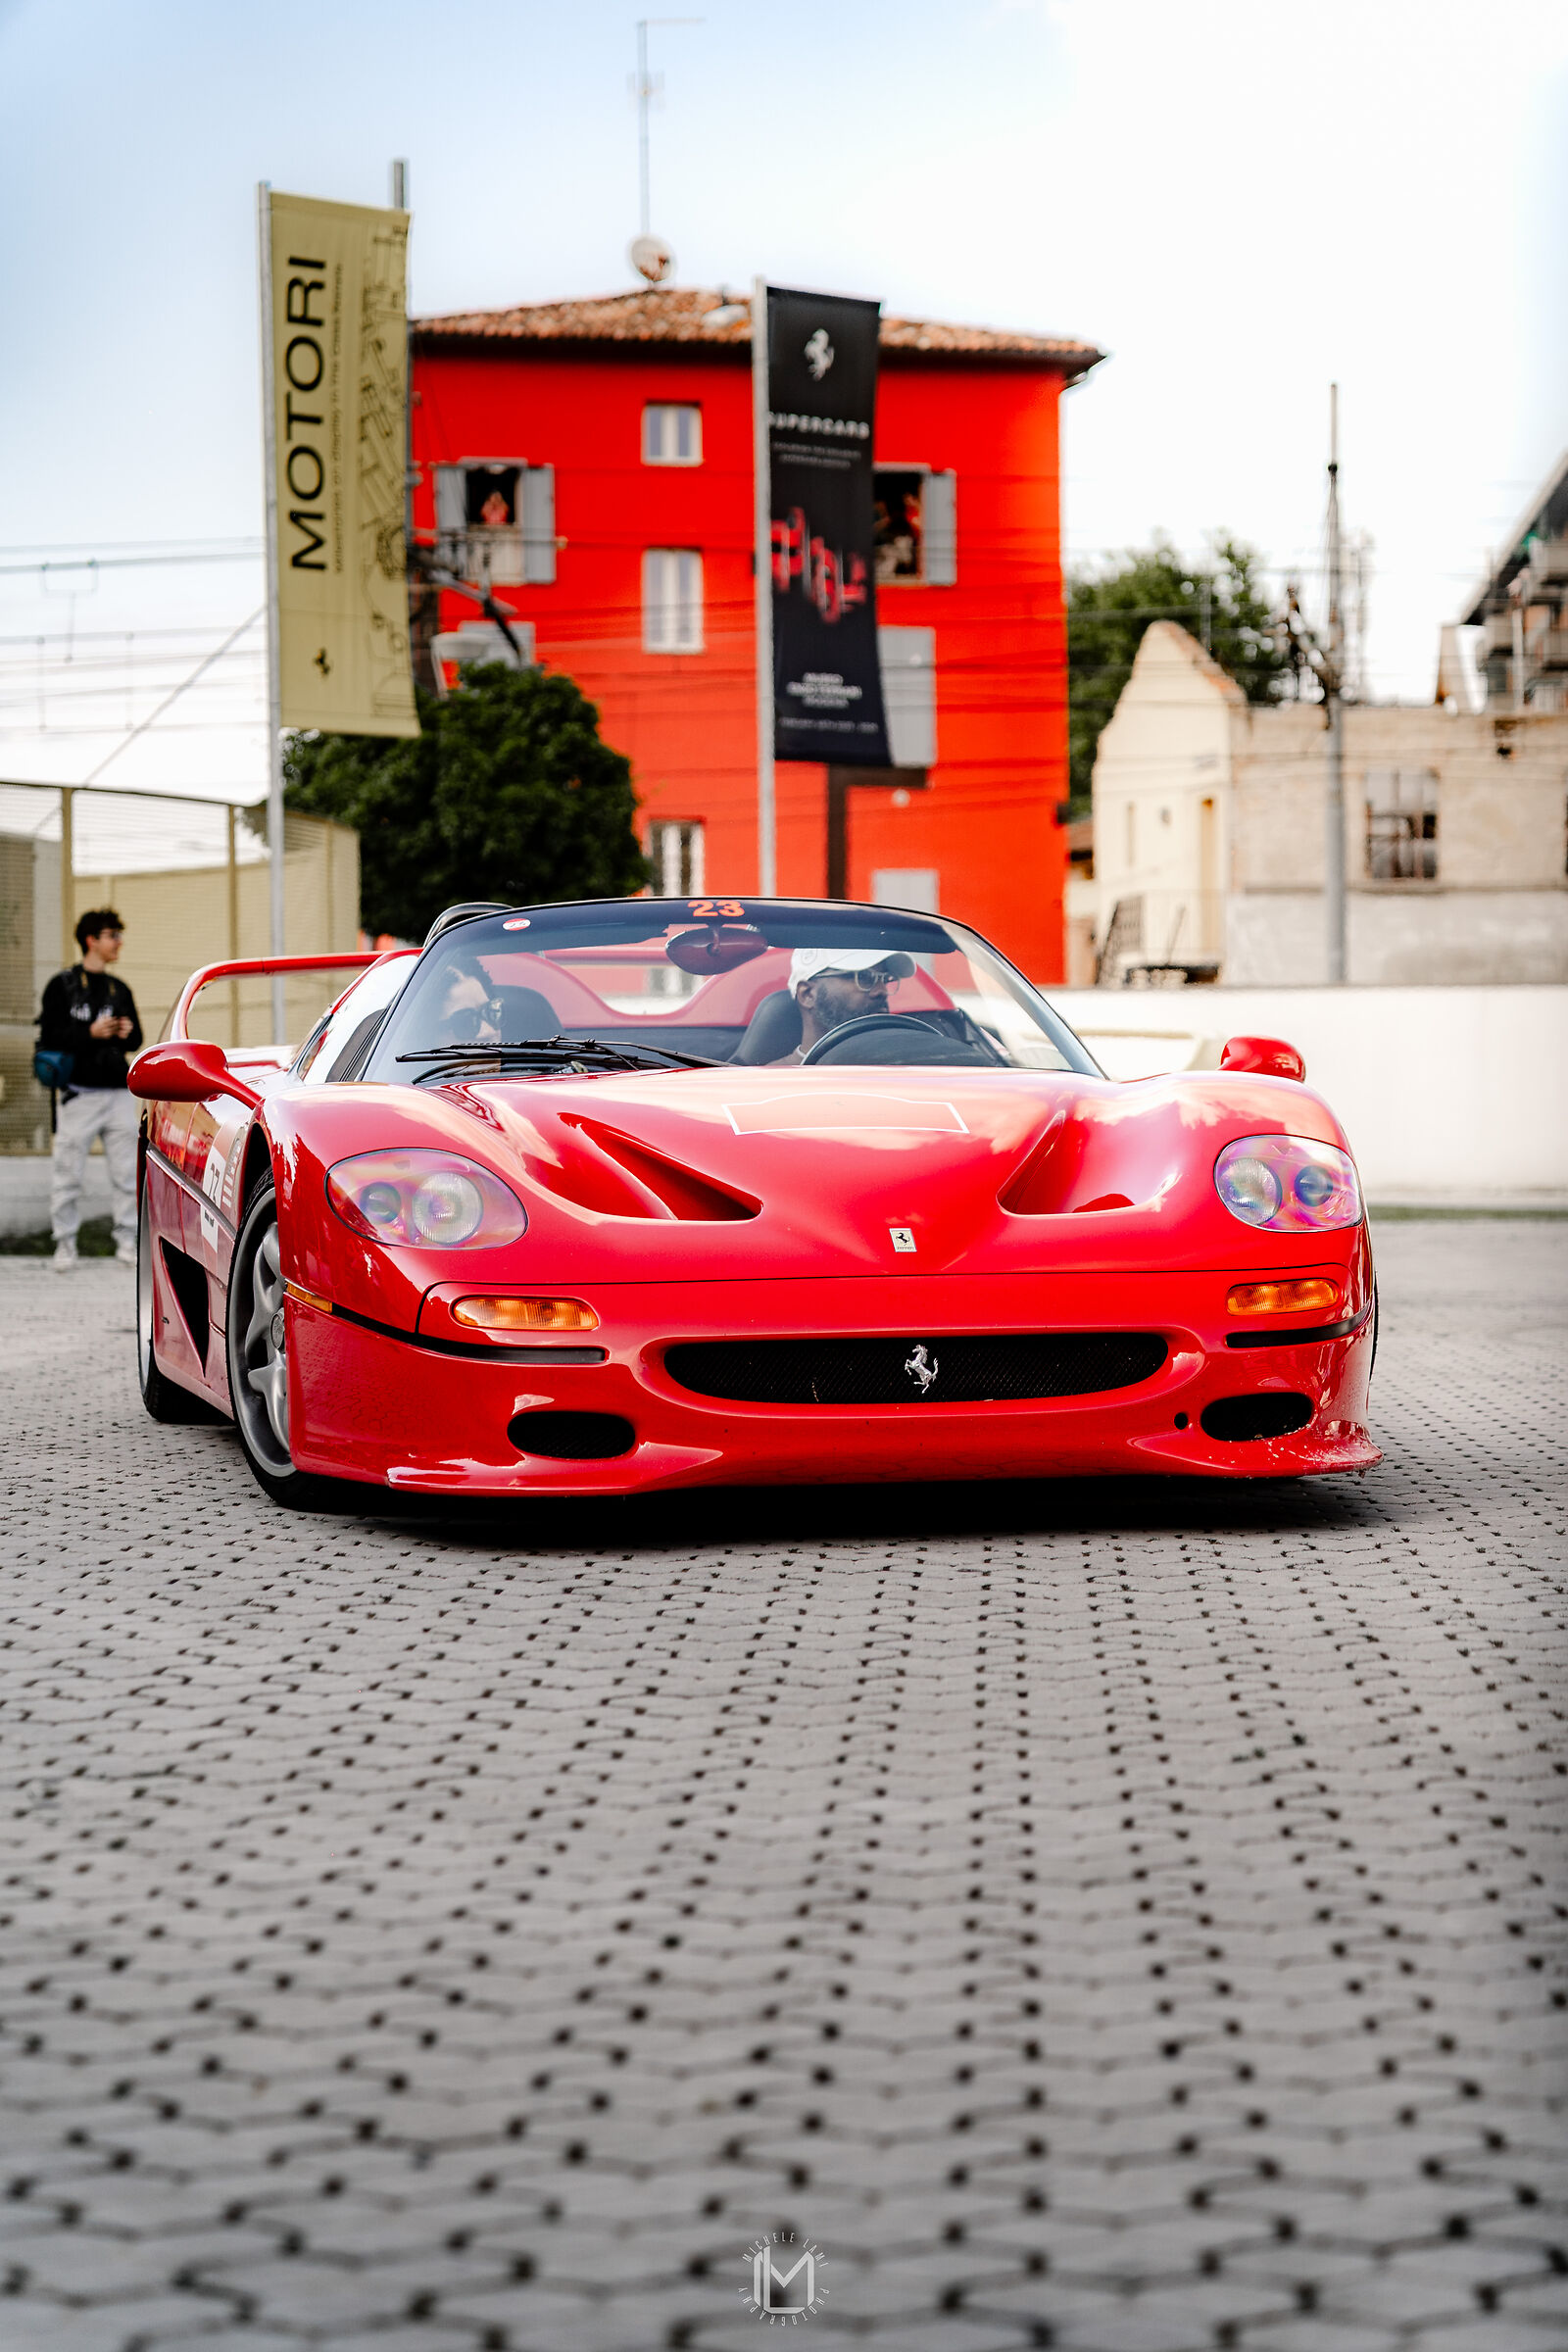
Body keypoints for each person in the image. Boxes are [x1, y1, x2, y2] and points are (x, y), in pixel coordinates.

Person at [37, 910, 143, 1271]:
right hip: (78, 1093)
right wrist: (90, 1034)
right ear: (91, 940)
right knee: (68, 1173)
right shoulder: (62, 985)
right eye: (112, 934)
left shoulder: (119, 988)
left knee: (127, 1173)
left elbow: (138, 1038)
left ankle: (127, 1242)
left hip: (117, 1093)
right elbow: (48, 1038)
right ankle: (65, 1244)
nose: (119, 942)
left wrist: (125, 1031)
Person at [768, 948, 915, 1064]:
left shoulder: (907, 1070)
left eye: (886, 979)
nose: (882, 991)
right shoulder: (770, 1084)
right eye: (863, 977)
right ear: (807, 994)